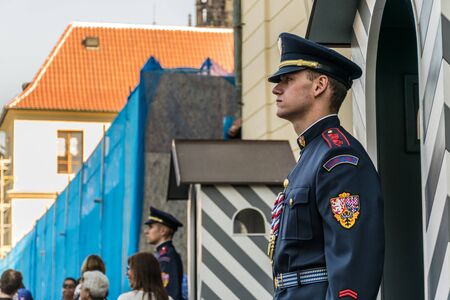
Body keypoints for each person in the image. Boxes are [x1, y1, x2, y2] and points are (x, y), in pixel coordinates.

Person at [267, 32, 384, 299]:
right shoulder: (312, 155)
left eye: (287, 79)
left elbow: (353, 261)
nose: (276, 88)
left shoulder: (338, 159)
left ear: (320, 85)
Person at [144, 207, 183, 300]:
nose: (146, 231)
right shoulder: (162, 255)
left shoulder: (167, 257)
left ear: (163, 231)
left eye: (150, 227)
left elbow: (169, 293)